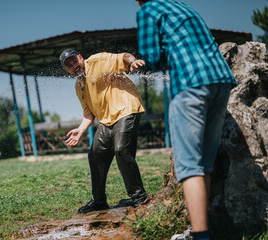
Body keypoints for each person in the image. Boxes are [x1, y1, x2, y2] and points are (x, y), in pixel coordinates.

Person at [135, 0, 237, 240]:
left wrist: (144, 64)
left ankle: (200, 236)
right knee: (205, 163)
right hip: (221, 80)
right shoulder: (183, 7)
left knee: (189, 165)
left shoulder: (148, 10)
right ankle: (201, 229)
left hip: (191, 83)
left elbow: (151, 55)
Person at [59, 49, 148, 213]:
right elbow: (88, 113)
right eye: (69, 65)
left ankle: (140, 198)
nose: (74, 66)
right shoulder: (79, 86)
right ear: (66, 70)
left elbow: (123, 57)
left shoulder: (97, 60)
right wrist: (80, 130)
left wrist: (133, 61)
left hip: (126, 108)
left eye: (74, 61)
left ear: (80, 57)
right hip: (108, 120)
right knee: (95, 154)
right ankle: (98, 201)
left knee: (121, 149)